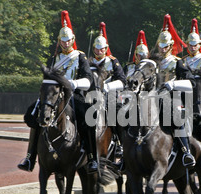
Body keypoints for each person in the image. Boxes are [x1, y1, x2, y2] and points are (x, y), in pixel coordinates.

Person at [18, 10, 98, 173]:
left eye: (68, 40)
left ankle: (91, 158)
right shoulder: (54, 58)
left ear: (72, 40)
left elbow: (88, 79)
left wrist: (72, 83)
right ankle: (30, 157)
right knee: (35, 116)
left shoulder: (79, 57)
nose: (65, 43)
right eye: (63, 40)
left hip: (73, 96)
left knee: (88, 118)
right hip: (54, 96)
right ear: (59, 41)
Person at [154, 14, 196, 167]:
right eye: (161, 45)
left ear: (171, 46)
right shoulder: (153, 62)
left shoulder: (178, 63)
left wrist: (172, 85)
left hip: (172, 97)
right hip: (153, 97)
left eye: (165, 46)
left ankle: (186, 152)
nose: (163, 48)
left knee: (176, 114)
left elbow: (191, 83)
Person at [90, 21, 126, 158]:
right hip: (92, 96)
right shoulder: (89, 62)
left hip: (110, 96)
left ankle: (119, 143)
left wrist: (107, 87)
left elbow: (122, 81)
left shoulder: (113, 62)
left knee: (116, 114)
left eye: (102, 49)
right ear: (94, 49)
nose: (99, 52)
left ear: (106, 49)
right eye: (97, 49)